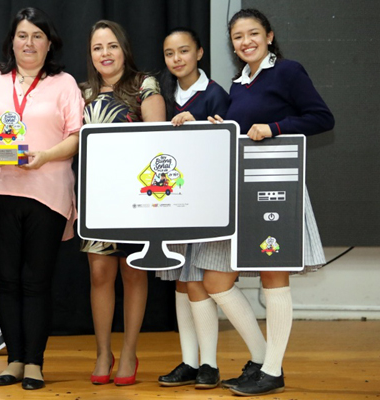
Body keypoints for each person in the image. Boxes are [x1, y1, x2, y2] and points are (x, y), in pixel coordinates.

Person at [206, 9, 334, 396]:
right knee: (216, 279)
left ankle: (273, 371)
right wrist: (219, 127)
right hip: (241, 191)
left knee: (272, 275)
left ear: (269, 35)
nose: (246, 42)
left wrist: (274, 129)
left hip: (278, 188)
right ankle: (264, 360)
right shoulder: (239, 84)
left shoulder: (288, 71)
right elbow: (240, 133)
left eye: (253, 34)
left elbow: (321, 117)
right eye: (238, 37)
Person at [0, 7, 83, 391]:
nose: (28, 43)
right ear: (11, 41)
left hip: (47, 193)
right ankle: (14, 360)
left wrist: (47, 155)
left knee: (36, 282)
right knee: (8, 281)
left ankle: (34, 362)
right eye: (22, 35)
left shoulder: (64, 83)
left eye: (37, 36)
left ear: (49, 44)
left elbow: (76, 136)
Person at [77, 20, 165, 387]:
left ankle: (129, 350)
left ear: (124, 49)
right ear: (91, 55)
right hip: (96, 198)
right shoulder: (81, 93)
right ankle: (103, 351)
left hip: (136, 198)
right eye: (98, 48)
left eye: (111, 46)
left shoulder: (144, 85)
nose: (105, 54)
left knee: (133, 272)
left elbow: (158, 138)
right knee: (100, 274)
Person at [155, 27, 229, 390]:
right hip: (171, 202)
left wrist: (198, 125)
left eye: (184, 51)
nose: (177, 59)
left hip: (204, 201)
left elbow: (225, 146)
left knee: (199, 280)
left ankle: (209, 365)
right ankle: (189, 360)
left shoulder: (215, 94)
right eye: (170, 53)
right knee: (181, 282)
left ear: (200, 52)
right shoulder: (163, 93)